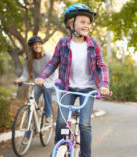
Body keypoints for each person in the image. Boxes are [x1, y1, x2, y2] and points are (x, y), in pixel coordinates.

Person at [35, 4, 110, 157]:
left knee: (84, 125)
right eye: (82, 22)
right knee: (62, 122)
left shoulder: (93, 44)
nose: (87, 25)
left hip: (87, 89)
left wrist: (103, 85)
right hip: (67, 88)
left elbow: (101, 66)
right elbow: (52, 63)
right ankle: (58, 149)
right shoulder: (63, 43)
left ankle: (85, 155)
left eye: (88, 23)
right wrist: (42, 77)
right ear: (71, 24)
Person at [14, 35, 57, 124]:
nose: (37, 46)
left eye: (39, 44)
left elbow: (55, 72)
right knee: (31, 102)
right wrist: (19, 79)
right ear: (31, 47)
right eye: (35, 44)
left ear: (41, 45)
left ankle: (48, 115)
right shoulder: (28, 59)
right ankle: (29, 130)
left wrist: (46, 81)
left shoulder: (48, 56)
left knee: (46, 88)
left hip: (50, 81)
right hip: (37, 83)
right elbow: (25, 75)